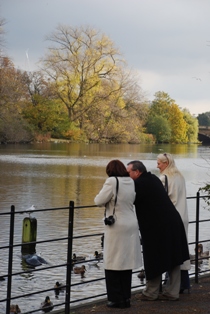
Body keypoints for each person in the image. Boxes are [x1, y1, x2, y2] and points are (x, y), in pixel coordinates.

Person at [126, 160, 190, 301]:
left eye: (128, 172)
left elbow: (126, 200)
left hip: (157, 226)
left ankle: (151, 292)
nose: (126, 175)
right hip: (173, 221)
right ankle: (172, 292)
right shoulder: (153, 178)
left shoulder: (138, 184)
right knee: (174, 256)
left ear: (137, 172)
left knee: (153, 256)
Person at [94, 159, 142, 308]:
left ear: (110, 171)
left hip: (117, 226)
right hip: (131, 223)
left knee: (112, 261)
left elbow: (98, 200)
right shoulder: (130, 181)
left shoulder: (112, 181)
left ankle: (115, 299)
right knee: (126, 261)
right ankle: (126, 297)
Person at [157, 152, 191, 293]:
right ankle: (183, 283)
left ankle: (171, 284)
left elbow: (161, 199)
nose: (157, 166)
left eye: (159, 163)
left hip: (171, 218)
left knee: (170, 249)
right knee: (182, 249)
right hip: (183, 216)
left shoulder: (164, 178)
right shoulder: (180, 176)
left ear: (166, 164)